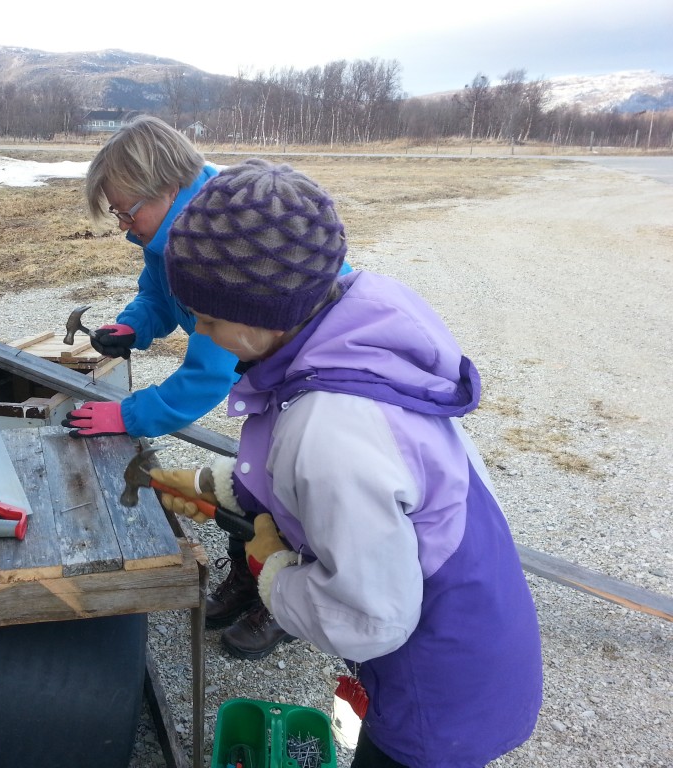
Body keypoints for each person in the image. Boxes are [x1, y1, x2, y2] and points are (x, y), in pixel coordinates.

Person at [151, 158, 543, 767]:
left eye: (208, 318)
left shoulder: (331, 427)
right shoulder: (352, 340)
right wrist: (215, 484)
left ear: (263, 316)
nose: (198, 333)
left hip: (433, 683)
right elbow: (365, 491)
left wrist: (273, 571)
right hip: (472, 631)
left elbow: (371, 616)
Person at [63, 116, 351, 659]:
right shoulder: (170, 227)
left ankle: (284, 601)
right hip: (268, 375)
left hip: (307, 377)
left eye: (128, 210)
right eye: (118, 214)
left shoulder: (223, 242)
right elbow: (157, 291)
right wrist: (135, 325)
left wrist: (126, 416)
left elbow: (207, 374)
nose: (125, 226)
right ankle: (248, 577)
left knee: (291, 486)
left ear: (167, 185)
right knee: (252, 474)